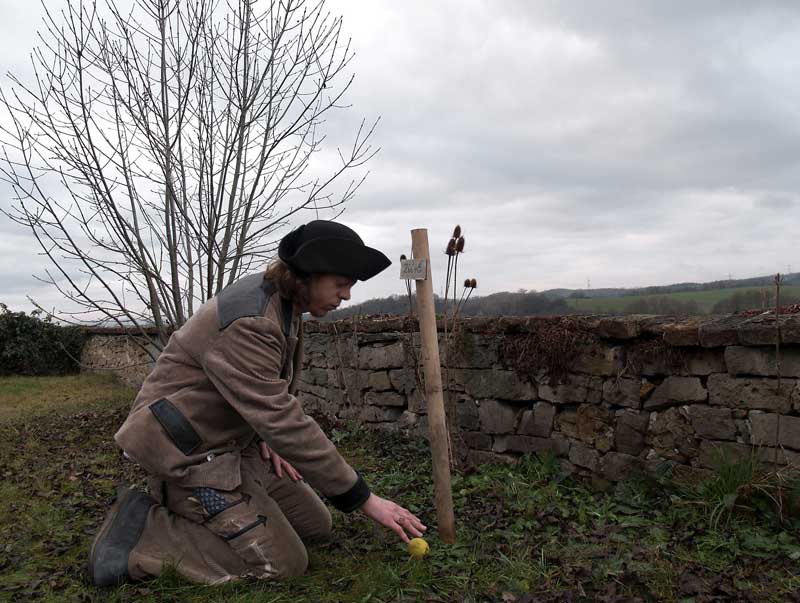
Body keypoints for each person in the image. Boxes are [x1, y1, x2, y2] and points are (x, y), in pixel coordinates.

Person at [89, 220, 426, 586]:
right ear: (309, 275)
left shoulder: (283, 305)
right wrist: (365, 499)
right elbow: (281, 416)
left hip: (230, 445)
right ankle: (144, 532)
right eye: (341, 284)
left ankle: (226, 509)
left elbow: (258, 395)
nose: (345, 296)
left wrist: (265, 437)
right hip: (188, 455)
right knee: (282, 565)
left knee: (315, 524)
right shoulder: (251, 320)